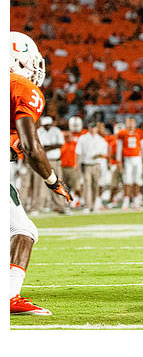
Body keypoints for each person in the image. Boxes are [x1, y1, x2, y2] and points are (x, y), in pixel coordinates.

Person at [10, 31, 72, 315]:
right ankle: (9, 296)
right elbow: (31, 147)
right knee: (23, 230)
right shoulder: (21, 87)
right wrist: (53, 180)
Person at [76, 121, 108, 213]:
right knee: (87, 185)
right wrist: (77, 164)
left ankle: (94, 205)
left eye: (94, 128)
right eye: (91, 127)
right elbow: (78, 152)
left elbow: (104, 153)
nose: (92, 129)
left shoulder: (100, 139)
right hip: (87, 164)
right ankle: (87, 205)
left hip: (97, 164)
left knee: (95, 185)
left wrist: (98, 155)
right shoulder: (83, 138)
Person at [116, 117, 143, 210]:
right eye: (128, 123)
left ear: (135, 123)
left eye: (132, 123)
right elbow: (119, 148)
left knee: (137, 181)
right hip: (127, 159)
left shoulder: (139, 133)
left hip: (137, 158)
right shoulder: (122, 134)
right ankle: (126, 202)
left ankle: (136, 201)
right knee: (127, 181)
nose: (130, 125)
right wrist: (119, 160)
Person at [36, 116, 65, 213]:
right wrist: (52, 146)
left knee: (57, 183)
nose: (47, 127)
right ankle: (39, 206)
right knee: (41, 185)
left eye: (48, 125)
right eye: (45, 125)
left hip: (55, 160)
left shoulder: (56, 130)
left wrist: (48, 147)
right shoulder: (39, 131)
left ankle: (60, 206)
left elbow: (60, 144)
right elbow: (40, 146)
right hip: (44, 161)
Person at [60, 116, 85, 208]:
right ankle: (68, 201)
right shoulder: (62, 138)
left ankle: (79, 201)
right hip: (63, 165)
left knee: (77, 185)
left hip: (74, 165)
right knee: (65, 185)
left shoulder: (82, 135)